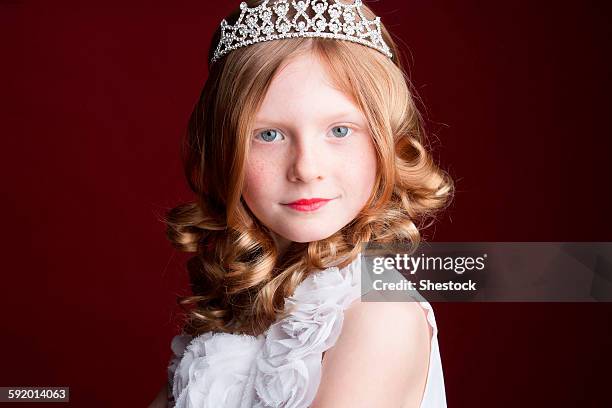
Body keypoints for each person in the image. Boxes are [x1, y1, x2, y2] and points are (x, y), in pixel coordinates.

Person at [149, 1, 454, 406]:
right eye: (269, 135)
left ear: (386, 141)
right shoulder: (242, 305)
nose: (306, 169)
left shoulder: (378, 317)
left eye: (340, 130)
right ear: (224, 152)